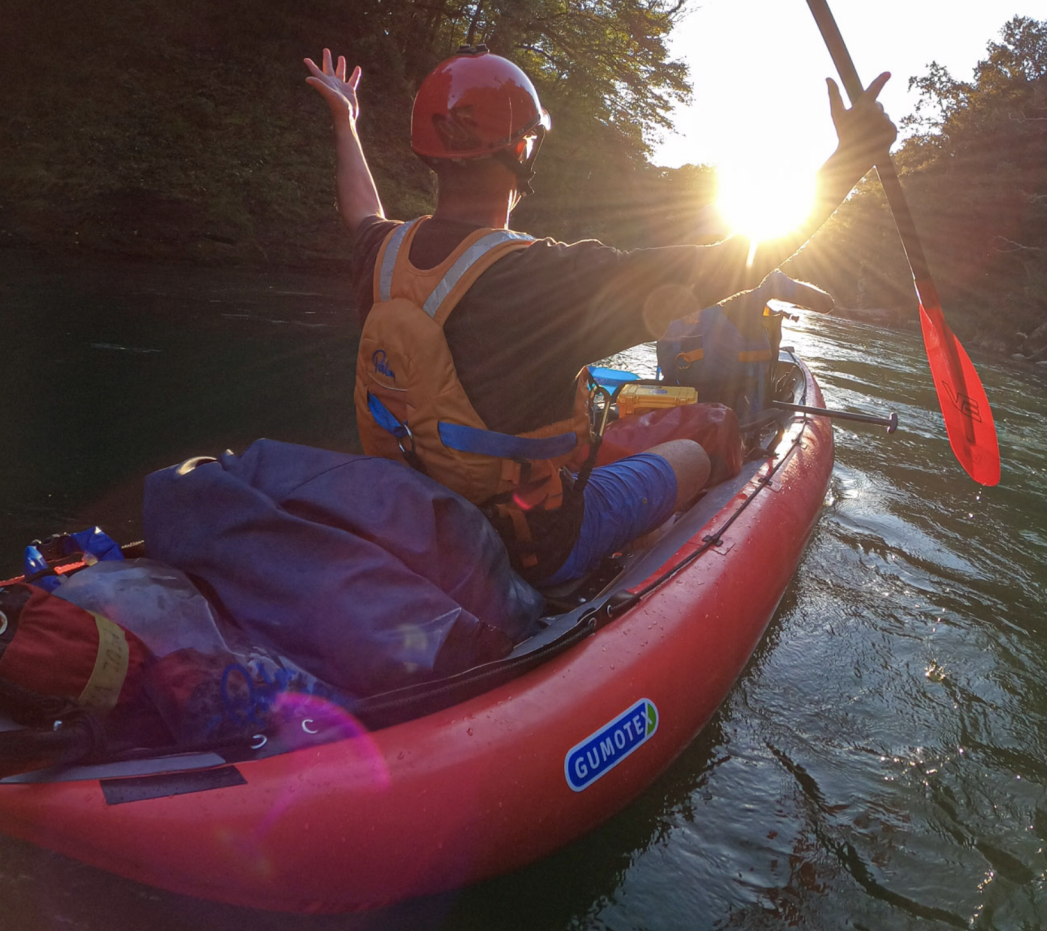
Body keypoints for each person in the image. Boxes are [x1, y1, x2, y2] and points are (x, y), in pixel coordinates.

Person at [304, 46, 895, 586]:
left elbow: (361, 212)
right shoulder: (545, 276)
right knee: (695, 453)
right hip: (535, 546)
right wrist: (851, 159)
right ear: (523, 150)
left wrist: (345, 122)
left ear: (430, 152)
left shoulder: (384, 255)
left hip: (415, 515)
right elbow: (729, 265)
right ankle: (642, 565)